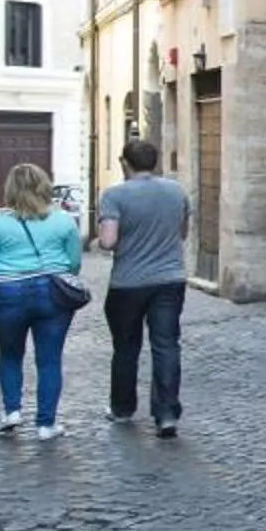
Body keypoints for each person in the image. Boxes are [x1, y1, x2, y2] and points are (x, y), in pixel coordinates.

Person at [0, 163, 85, 442]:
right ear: (44, 186)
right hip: (52, 293)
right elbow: (74, 262)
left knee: (9, 354)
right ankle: (46, 425)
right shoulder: (63, 220)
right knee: (49, 360)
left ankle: (12, 412)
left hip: (8, 292)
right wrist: (63, 275)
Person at [97, 136, 192, 438]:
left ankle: (123, 408)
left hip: (128, 282)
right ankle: (167, 414)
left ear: (125, 163)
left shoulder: (115, 195)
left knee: (126, 347)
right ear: (155, 162)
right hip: (170, 279)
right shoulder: (176, 191)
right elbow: (182, 233)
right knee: (166, 345)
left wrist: (103, 240)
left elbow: (108, 241)